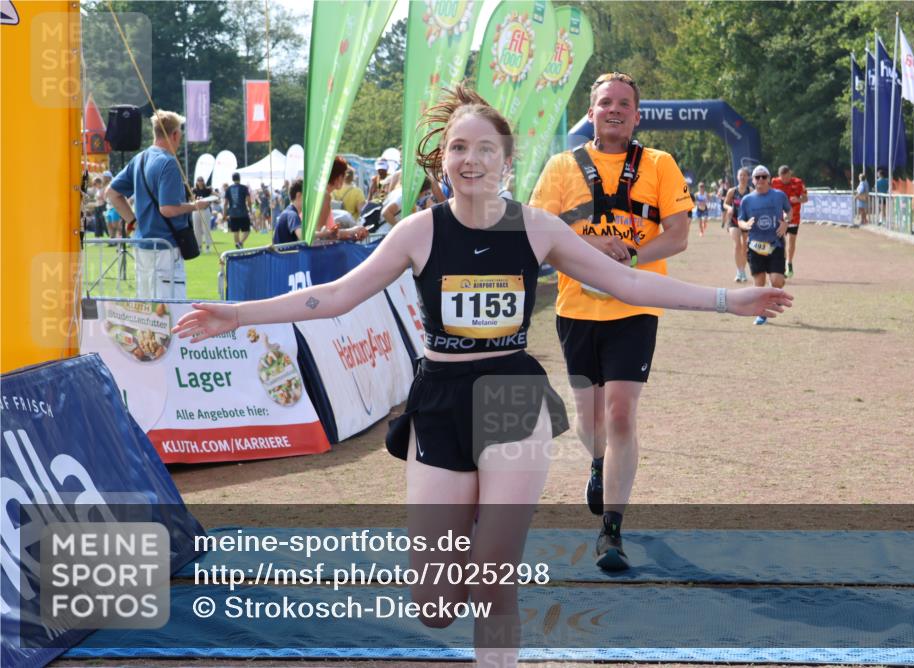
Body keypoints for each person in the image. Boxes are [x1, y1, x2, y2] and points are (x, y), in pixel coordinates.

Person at [173, 85, 791, 665]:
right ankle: (471, 530)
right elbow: (335, 296)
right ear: (443, 160)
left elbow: (627, 281)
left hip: (509, 394)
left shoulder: (535, 227)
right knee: (437, 608)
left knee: (495, 584)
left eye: (485, 149)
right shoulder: (418, 231)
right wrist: (234, 313)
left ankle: (492, 556)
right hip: (438, 401)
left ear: (505, 161)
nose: (471, 160)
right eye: (459, 148)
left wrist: (725, 300)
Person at [529, 72, 698, 571]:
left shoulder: (660, 165)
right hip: (576, 309)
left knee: (621, 413)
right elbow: (540, 232)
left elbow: (679, 235)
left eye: (625, 103)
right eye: (606, 103)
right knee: (590, 420)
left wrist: (629, 259)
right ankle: (598, 464)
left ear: (637, 114)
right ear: (592, 112)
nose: (616, 110)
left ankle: (612, 530)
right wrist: (589, 251)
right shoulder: (561, 167)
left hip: (637, 306)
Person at [107, 109, 211, 299]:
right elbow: (168, 209)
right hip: (165, 247)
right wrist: (196, 206)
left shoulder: (139, 159)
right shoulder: (168, 163)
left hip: (142, 244)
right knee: (169, 310)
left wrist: (133, 222)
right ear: (174, 134)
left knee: (147, 309)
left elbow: (112, 193)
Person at [738, 165, 790, 325]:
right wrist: (745, 225)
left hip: (775, 244)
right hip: (755, 246)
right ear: (752, 181)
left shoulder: (779, 196)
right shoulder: (747, 200)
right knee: (759, 283)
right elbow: (740, 219)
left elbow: (789, 211)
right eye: (757, 177)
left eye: (763, 177)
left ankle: (774, 292)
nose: (760, 180)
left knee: (777, 281)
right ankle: (761, 313)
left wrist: (785, 223)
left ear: (769, 179)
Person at [314, 156, 369, 243]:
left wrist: (352, 234)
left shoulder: (321, 194)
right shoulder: (325, 196)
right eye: (344, 175)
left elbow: (329, 234)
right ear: (339, 177)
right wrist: (352, 231)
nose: (344, 179)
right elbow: (322, 235)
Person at [770, 165, 807, 279]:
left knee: (791, 241)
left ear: (790, 174)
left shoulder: (798, 182)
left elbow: (805, 198)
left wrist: (798, 199)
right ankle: (783, 265)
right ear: (779, 176)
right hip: (779, 218)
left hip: (794, 217)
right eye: (782, 178)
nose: (784, 180)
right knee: (781, 243)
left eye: (786, 177)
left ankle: (789, 263)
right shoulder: (774, 182)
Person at [724, 167, 752, 282]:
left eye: (744, 175)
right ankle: (739, 271)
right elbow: (725, 204)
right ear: (737, 177)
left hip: (745, 222)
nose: (742, 177)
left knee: (745, 248)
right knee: (737, 245)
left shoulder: (751, 191)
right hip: (734, 221)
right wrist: (729, 207)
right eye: (740, 175)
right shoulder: (732, 191)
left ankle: (743, 271)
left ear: (748, 177)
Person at [223, 172, 252, 248]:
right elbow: (249, 200)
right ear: (239, 178)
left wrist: (224, 214)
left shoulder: (228, 189)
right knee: (247, 230)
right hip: (243, 212)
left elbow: (225, 203)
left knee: (235, 231)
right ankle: (240, 243)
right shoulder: (244, 188)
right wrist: (250, 209)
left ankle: (238, 245)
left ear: (232, 179)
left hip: (233, 213)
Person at [191, 175, 214, 252]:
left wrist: (207, 203)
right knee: (196, 228)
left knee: (206, 228)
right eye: (199, 181)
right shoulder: (194, 190)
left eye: (201, 181)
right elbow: (192, 199)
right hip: (196, 210)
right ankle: (199, 246)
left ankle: (208, 245)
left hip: (205, 210)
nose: (200, 182)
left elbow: (213, 197)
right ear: (197, 182)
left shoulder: (207, 190)